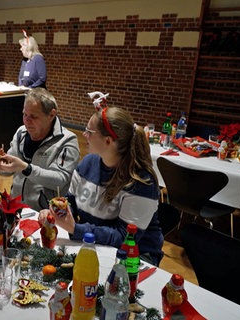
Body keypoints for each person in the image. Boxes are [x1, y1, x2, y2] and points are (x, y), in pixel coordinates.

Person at [38, 93, 164, 265]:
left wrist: (76, 229)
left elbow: (123, 238)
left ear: (108, 141)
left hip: (136, 260)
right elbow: (72, 202)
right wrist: (58, 213)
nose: (84, 135)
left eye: (89, 131)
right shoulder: (88, 163)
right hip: (96, 246)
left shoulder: (141, 182)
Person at [0, 88, 80, 211]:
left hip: (44, 215)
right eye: (24, 114)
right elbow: (10, 170)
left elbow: (60, 180)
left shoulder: (67, 141)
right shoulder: (21, 133)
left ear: (51, 115)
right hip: (16, 208)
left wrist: (26, 168)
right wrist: (1, 167)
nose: (27, 121)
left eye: (33, 116)